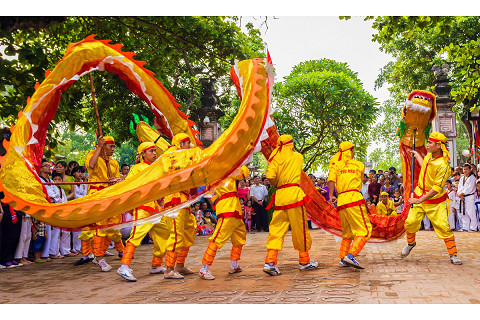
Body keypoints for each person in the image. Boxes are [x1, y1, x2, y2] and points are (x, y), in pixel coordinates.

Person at [401, 132, 462, 265]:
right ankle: (411, 244)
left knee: (443, 227)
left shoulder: (444, 165)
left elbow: (436, 189)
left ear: (438, 145)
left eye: (430, 143)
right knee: (410, 223)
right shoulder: (429, 156)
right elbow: (426, 167)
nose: (427, 145)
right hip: (419, 194)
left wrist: (419, 200)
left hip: (435, 201)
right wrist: (417, 155)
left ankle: (453, 255)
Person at [263, 135, 318, 276]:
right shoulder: (298, 156)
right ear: (291, 144)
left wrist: (276, 184)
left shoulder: (274, 158)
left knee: (276, 229)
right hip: (294, 195)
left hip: (280, 196)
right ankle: (304, 261)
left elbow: (270, 177)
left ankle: (270, 262)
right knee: (300, 229)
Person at [117, 142, 171, 282]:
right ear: (142, 154)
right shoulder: (137, 168)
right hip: (142, 207)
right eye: (151, 151)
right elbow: (129, 184)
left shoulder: (155, 167)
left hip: (154, 208)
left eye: (155, 150)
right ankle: (124, 266)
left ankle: (156, 265)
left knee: (164, 233)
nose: (154, 153)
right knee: (136, 236)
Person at [162, 133, 202, 279]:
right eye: (187, 143)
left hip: (185, 200)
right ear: (180, 144)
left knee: (189, 231)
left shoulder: (183, 156)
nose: (190, 146)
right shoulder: (171, 156)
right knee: (176, 235)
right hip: (175, 200)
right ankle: (168, 269)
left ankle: (180, 265)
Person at [199, 166, 250, 280]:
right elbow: (244, 173)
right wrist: (243, 160)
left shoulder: (219, 174)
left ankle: (234, 265)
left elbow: (212, 194)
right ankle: (204, 268)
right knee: (218, 238)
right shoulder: (227, 172)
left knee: (239, 237)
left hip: (234, 208)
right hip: (229, 208)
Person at [82, 135, 124, 271]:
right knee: (100, 226)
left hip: (110, 196)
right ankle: (99, 258)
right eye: (110, 146)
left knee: (112, 227)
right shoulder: (92, 155)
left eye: (114, 146)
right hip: (97, 195)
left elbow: (117, 179)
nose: (113, 149)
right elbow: (91, 165)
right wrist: (99, 147)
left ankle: (98, 254)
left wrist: (118, 180)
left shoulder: (114, 163)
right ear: (103, 145)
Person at [328, 141, 372, 269]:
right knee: (365, 230)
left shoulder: (335, 164)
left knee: (347, 232)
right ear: (351, 151)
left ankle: (343, 258)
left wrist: (331, 196)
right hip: (353, 198)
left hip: (341, 200)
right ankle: (351, 256)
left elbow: (331, 180)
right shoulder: (359, 165)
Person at [457, 163, 477, 232]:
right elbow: (459, 187)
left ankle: (473, 227)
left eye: (466, 169)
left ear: (470, 170)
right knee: (463, 212)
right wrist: (459, 194)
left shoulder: (472, 178)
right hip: (462, 197)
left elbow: (470, 188)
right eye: (464, 169)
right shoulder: (462, 178)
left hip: (469, 196)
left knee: (471, 212)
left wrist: (462, 193)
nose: (465, 170)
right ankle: (465, 227)